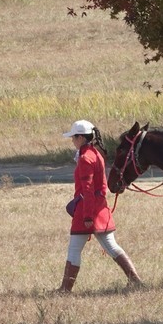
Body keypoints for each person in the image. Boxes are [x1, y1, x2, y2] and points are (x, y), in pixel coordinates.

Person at [57, 119, 143, 292]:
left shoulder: (85, 158)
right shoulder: (96, 154)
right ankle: (135, 280)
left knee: (74, 248)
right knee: (111, 245)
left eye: (74, 137)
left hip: (87, 210)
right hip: (99, 207)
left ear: (81, 138)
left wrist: (87, 216)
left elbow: (88, 189)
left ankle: (65, 290)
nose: (72, 141)